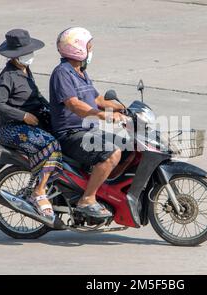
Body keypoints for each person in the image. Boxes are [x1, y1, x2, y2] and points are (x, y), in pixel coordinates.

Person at [50, 27, 128, 218]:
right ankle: (87, 199)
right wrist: (103, 116)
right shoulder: (62, 73)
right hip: (70, 134)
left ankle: (107, 194)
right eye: (89, 46)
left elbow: (97, 99)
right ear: (77, 49)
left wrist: (121, 107)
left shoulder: (80, 72)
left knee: (128, 144)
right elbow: (74, 104)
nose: (91, 50)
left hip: (86, 131)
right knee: (111, 153)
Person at [0, 29, 62, 218]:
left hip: (32, 122)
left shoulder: (25, 70)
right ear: (14, 56)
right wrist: (23, 116)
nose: (29, 56)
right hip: (12, 128)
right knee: (52, 146)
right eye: (24, 53)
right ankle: (38, 191)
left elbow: (37, 98)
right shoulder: (8, 76)